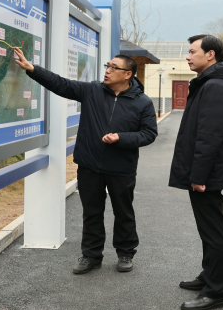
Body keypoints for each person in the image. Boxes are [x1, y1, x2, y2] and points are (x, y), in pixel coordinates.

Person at [13, 48, 158, 274]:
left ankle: (126, 253)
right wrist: (32, 69)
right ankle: (91, 256)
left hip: (122, 167)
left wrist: (121, 138)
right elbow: (61, 84)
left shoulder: (143, 102)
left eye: (114, 67)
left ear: (128, 74)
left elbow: (149, 134)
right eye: (107, 66)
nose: (107, 70)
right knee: (91, 213)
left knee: (124, 212)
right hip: (90, 165)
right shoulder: (92, 91)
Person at [169, 35, 223, 310]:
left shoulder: (215, 86)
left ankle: (216, 291)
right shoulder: (211, 82)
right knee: (208, 229)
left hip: (209, 174)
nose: (188, 56)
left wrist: (199, 176)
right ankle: (209, 275)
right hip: (209, 171)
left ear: (210, 54)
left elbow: (209, 136)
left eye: (193, 51)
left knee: (213, 231)